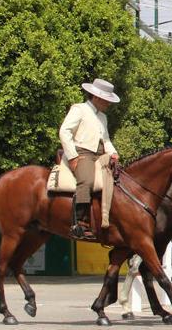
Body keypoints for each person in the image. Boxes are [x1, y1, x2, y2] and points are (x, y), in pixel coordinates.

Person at [59, 78, 120, 239]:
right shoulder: (79, 109)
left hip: (100, 155)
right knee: (87, 181)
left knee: (119, 180)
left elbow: (105, 139)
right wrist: (73, 156)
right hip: (83, 152)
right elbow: (64, 131)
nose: (108, 104)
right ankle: (80, 222)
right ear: (98, 98)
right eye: (107, 101)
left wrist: (113, 153)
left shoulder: (103, 118)